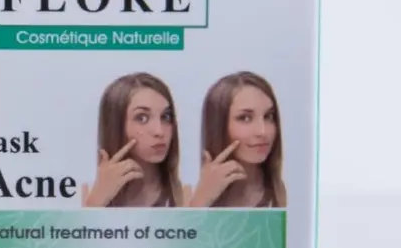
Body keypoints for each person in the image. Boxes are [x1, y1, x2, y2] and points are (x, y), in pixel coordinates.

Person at [81, 72, 188, 207]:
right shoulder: (86, 194)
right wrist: (96, 202)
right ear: (115, 125)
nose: (159, 131)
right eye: (142, 118)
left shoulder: (184, 195)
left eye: (166, 117)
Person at [188, 71, 287, 208]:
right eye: (245, 118)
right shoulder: (187, 193)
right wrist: (201, 201)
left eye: (268, 116)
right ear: (218, 125)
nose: (262, 131)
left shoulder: (279, 191)